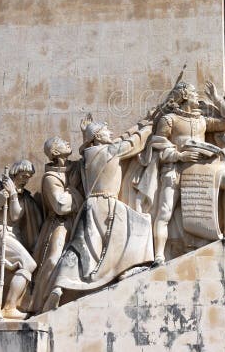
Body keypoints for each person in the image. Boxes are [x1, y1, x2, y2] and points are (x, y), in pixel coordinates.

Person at [43, 119, 153, 311]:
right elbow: (134, 142)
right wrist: (150, 126)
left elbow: (121, 138)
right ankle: (125, 270)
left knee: (80, 248)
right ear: (97, 137)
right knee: (140, 226)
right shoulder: (112, 151)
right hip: (108, 204)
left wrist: (87, 133)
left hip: (90, 206)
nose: (110, 132)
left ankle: (59, 285)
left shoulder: (87, 155)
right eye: (106, 130)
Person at [143, 81, 225, 266]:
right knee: (165, 212)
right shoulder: (169, 119)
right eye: (194, 93)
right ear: (185, 96)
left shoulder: (201, 121)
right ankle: (158, 256)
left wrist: (217, 98)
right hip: (175, 170)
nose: (198, 96)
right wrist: (179, 155)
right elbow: (157, 146)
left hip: (200, 170)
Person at [0, 161, 42, 319]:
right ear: (15, 173)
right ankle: (9, 308)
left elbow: (15, 215)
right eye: (23, 176)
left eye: (29, 177)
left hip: (13, 235)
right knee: (29, 264)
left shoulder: (20, 193)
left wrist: (13, 195)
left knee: (25, 266)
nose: (26, 179)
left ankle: (10, 306)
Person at [29, 137, 84, 313]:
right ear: (54, 152)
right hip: (60, 223)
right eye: (61, 142)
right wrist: (74, 189)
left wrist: (85, 135)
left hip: (80, 219)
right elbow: (61, 206)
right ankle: (41, 302)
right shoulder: (50, 178)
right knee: (53, 259)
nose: (68, 142)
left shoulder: (75, 167)